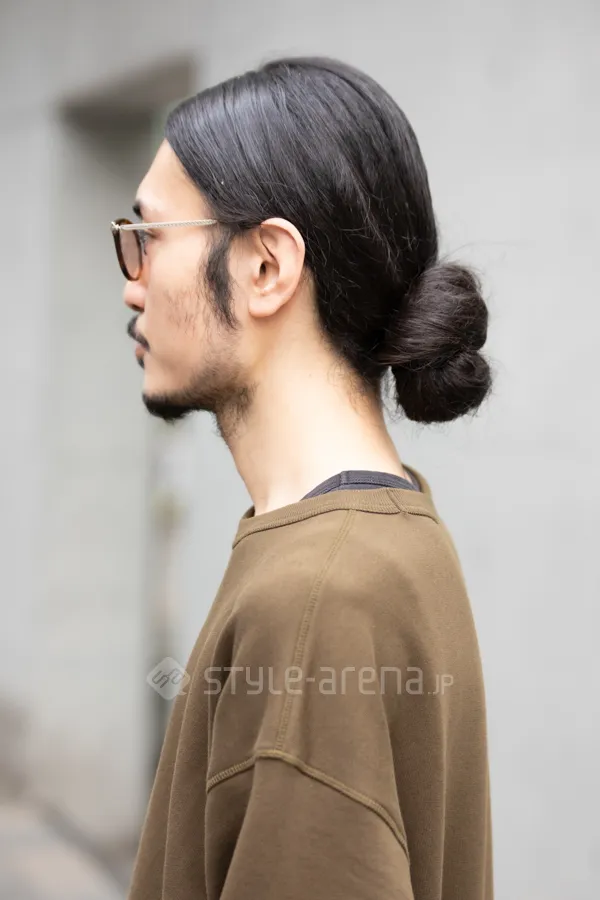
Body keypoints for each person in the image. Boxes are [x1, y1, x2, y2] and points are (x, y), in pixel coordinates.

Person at [112, 56, 493, 900]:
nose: (133, 286)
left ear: (266, 267)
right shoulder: (386, 533)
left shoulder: (318, 596)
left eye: (149, 237)